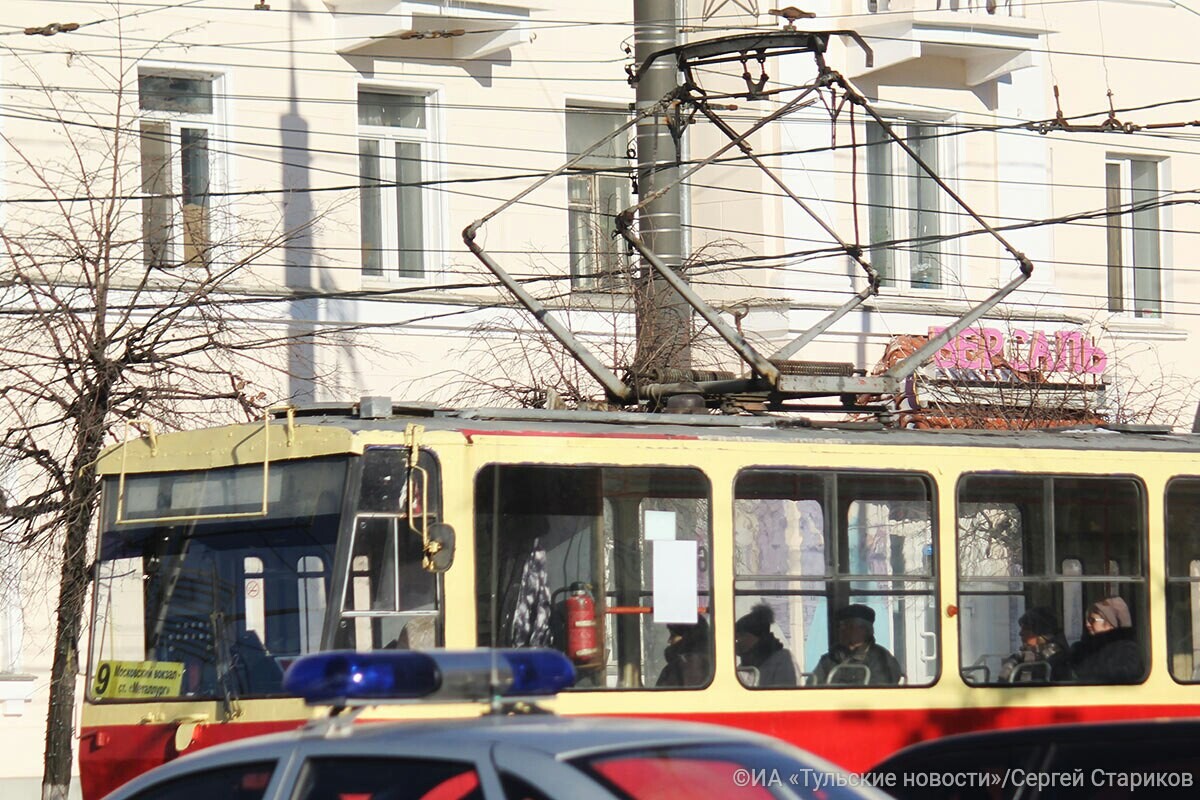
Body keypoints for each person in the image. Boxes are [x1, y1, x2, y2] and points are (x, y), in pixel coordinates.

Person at [813, 604, 904, 686]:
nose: (841, 630)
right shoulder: (830, 658)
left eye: (847, 626)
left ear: (864, 630)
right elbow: (813, 685)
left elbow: (880, 691)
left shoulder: (882, 659)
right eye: (840, 626)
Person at [1069, 596, 1143, 684]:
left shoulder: (1127, 651)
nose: (1087, 624)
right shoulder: (1083, 648)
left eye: (1092, 620)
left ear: (1111, 622)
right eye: (1087, 620)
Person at [998, 606, 1069, 683]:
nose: (1020, 633)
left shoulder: (1054, 658)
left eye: (1026, 629)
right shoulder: (1020, 657)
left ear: (1042, 634)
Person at [734, 604, 798, 687]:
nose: (737, 641)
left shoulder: (782, 659)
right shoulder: (744, 665)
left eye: (742, 635)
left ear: (757, 637)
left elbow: (785, 690)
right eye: (736, 637)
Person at [656, 617, 712, 687]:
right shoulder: (713, 665)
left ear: (687, 638)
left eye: (673, 635)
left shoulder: (675, 669)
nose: (669, 640)